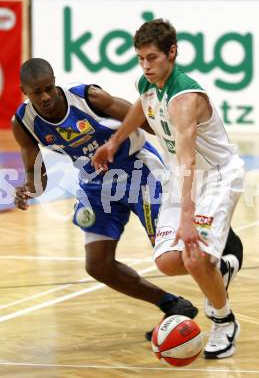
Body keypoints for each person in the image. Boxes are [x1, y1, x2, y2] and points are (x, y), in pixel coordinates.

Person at [12, 57, 199, 336]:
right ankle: (172, 305)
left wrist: (179, 151)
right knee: (98, 265)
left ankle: (219, 258)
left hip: (139, 169)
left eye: (49, 88)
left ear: (55, 83)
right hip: (96, 183)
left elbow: (146, 120)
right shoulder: (24, 122)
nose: (46, 96)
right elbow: (35, 174)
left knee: (167, 253)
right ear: (23, 91)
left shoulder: (87, 97)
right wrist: (28, 189)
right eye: (37, 92)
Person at [92, 19, 244, 359]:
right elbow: (140, 106)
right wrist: (115, 142)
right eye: (140, 58)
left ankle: (223, 320)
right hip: (183, 177)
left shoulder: (184, 99)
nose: (146, 66)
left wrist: (188, 217)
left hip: (217, 176)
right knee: (167, 262)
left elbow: (189, 159)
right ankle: (219, 266)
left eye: (152, 58)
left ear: (171, 53)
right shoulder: (148, 84)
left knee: (193, 256)